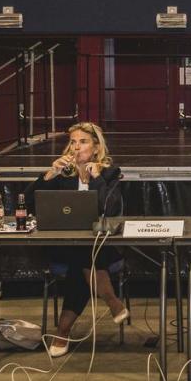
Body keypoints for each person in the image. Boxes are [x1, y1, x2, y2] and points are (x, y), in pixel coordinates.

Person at [25, 122, 129, 357]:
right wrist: (49, 174)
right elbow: (28, 203)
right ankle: (112, 300)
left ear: (96, 147)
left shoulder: (109, 173)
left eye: (83, 142)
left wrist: (96, 178)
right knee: (82, 256)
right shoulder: (63, 173)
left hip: (99, 245)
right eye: (73, 142)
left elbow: (111, 209)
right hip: (65, 244)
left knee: (81, 263)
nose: (76, 147)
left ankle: (62, 331)